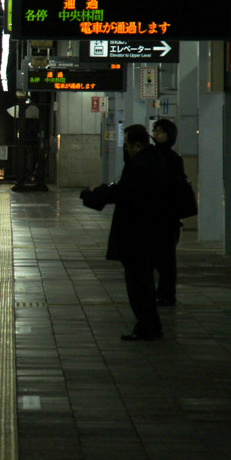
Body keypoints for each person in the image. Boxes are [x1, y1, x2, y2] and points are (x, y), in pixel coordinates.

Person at [80, 124, 165, 341]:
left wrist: (94, 194)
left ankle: (148, 326)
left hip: (137, 233)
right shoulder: (154, 160)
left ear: (137, 144)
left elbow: (123, 192)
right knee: (142, 280)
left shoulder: (141, 165)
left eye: (127, 145)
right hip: (147, 230)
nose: (126, 150)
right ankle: (149, 325)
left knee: (138, 283)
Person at [152, 118, 186, 306]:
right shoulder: (157, 156)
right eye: (155, 130)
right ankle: (162, 292)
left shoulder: (171, 159)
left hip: (167, 217)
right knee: (162, 259)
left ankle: (166, 293)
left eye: (161, 131)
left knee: (166, 260)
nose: (156, 134)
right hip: (163, 216)